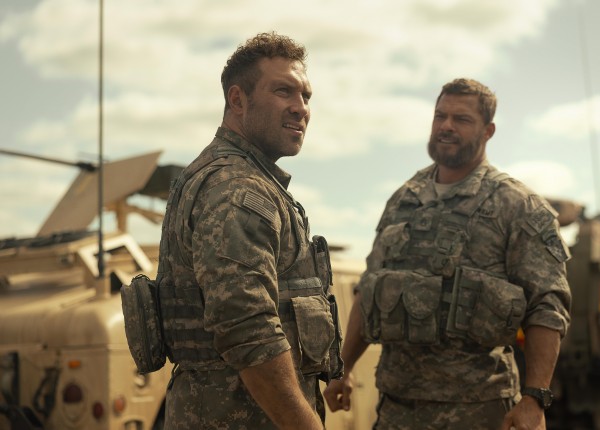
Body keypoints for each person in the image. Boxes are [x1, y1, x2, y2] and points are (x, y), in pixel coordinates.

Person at [324, 78, 572, 430]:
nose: (446, 126)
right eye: (440, 116)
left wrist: (535, 399)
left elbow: (547, 307)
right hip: (396, 409)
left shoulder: (518, 207)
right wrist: (344, 367)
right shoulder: (404, 199)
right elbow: (369, 289)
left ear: (488, 131)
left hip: (479, 412)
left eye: (461, 119)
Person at [157, 32, 342, 430]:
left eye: (306, 96)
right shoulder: (238, 189)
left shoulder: (240, 179)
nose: (300, 108)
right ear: (238, 100)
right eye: (283, 91)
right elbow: (248, 331)